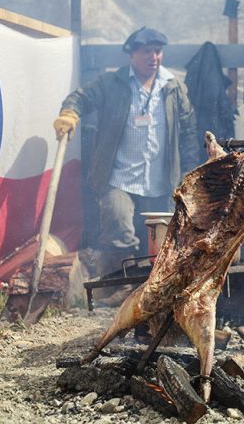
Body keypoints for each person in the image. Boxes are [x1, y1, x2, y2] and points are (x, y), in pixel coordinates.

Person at [53, 27, 199, 301]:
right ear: (131, 55)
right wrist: (70, 112)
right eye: (147, 51)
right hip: (118, 176)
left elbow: (189, 132)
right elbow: (81, 97)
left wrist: (190, 175)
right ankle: (119, 286)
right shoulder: (112, 83)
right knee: (119, 227)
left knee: (161, 239)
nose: (153, 57)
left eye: (157, 51)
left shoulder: (173, 88)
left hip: (159, 179)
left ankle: (151, 291)